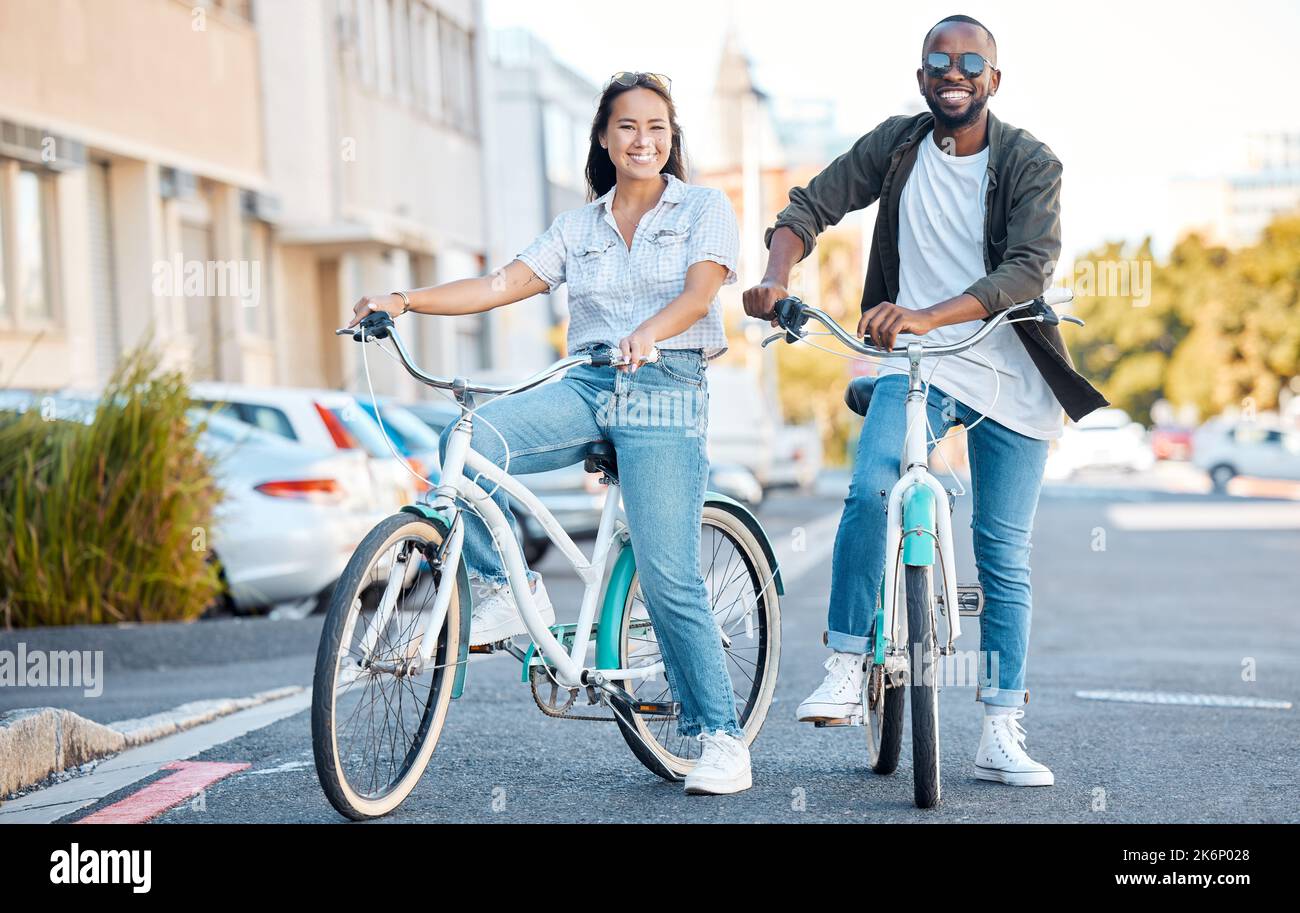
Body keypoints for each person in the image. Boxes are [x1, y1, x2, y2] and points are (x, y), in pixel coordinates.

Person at [350, 71, 752, 795]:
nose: (644, 140)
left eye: (658, 127)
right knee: (465, 446)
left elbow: (701, 292)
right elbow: (501, 283)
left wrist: (647, 334)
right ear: (603, 136)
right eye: (628, 126)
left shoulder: (703, 206)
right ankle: (506, 585)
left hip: (666, 388)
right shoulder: (579, 225)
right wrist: (403, 300)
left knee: (667, 573)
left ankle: (720, 734)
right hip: (588, 384)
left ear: (672, 138)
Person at [744, 15, 1109, 787]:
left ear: (993, 81)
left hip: (1011, 371)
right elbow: (808, 206)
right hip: (917, 364)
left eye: (971, 61)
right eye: (938, 61)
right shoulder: (899, 143)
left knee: (1003, 557)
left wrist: (928, 312)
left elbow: (1028, 270)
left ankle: (1000, 729)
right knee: (872, 489)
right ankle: (847, 661)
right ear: (921, 79)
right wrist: (777, 277)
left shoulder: (1032, 161)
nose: (955, 71)